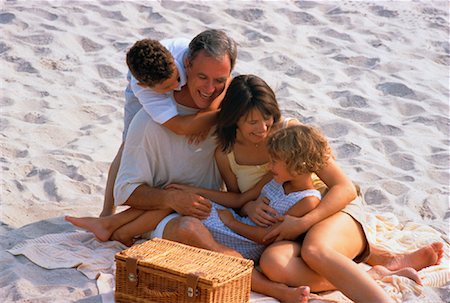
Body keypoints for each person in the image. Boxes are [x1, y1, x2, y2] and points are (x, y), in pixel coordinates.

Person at [100, 36, 224, 217]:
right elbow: (179, 127)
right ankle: (107, 211)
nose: (177, 86)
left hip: (166, 64)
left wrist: (207, 113)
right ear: (145, 86)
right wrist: (208, 120)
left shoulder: (186, 55)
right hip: (144, 80)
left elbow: (226, 79)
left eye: (177, 79)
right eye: (168, 87)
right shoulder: (143, 89)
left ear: (177, 62)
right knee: (129, 144)